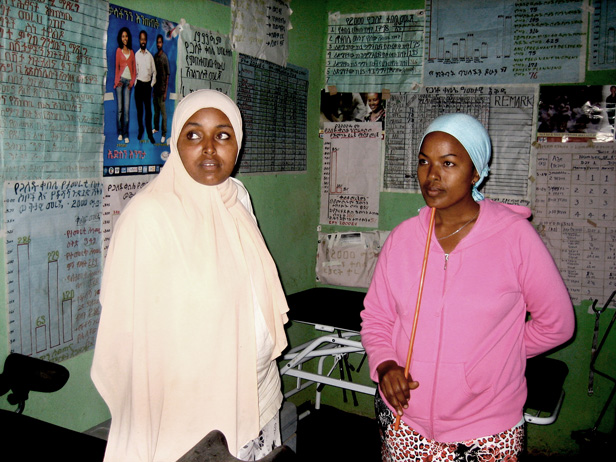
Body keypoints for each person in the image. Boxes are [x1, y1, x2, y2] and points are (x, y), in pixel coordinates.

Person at [360, 113, 574, 461]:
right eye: (424, 162)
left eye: (448, 163)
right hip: (404, 419)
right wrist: (385, 365)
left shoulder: (515, 238)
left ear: (476, 172)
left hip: (487, 430)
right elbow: (377, 317)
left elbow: (558, 324)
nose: (432, 175)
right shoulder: (403, 239)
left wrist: (494, 357)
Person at [91, 90, 290, 462]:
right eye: (194, 135)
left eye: (223, 135)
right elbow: (128, 337)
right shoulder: (149, 216)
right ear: (176, 142)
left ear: (239, 143)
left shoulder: (236, 197)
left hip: (258, 395)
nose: (210, 149)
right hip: (190, 415)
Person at [113, 27, 136, 144]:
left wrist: (131, 83)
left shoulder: (132, 53)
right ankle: (120, 133)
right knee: (120, 110)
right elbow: (117, 68)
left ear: (128, 38)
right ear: (120, 38)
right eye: (123, 36)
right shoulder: (118, 51)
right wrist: (116, 82)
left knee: (126, 110)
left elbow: (134, 70)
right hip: (120, 82)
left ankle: (126, 134)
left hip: (128, 83)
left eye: (126, 36)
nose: (125, 38)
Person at [134, 30, 157, 144]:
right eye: (141, 39)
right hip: (139, 85)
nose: (143, 41)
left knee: (148, 112)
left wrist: (151, 85)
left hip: (147, 86)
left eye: (144, 39)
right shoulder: (136, 55)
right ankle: (140, 131)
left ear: (146, 41)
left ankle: (149, 134)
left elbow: (154, 73)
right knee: (140, 111)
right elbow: (134, 71)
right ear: (139, 40)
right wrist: (135, 84)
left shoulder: (150, 57)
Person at [153, 34, 170, 144]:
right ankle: (156, 128)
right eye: (157, 42)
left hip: (162, 90)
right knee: (156, 112)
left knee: (164, 114)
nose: (159, 44)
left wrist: (165, 92)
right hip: (155, 89)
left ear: (162, 43)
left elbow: (167, 75)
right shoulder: (155, 57)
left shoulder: (164, 58)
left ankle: (164, 134)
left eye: (160, 42)